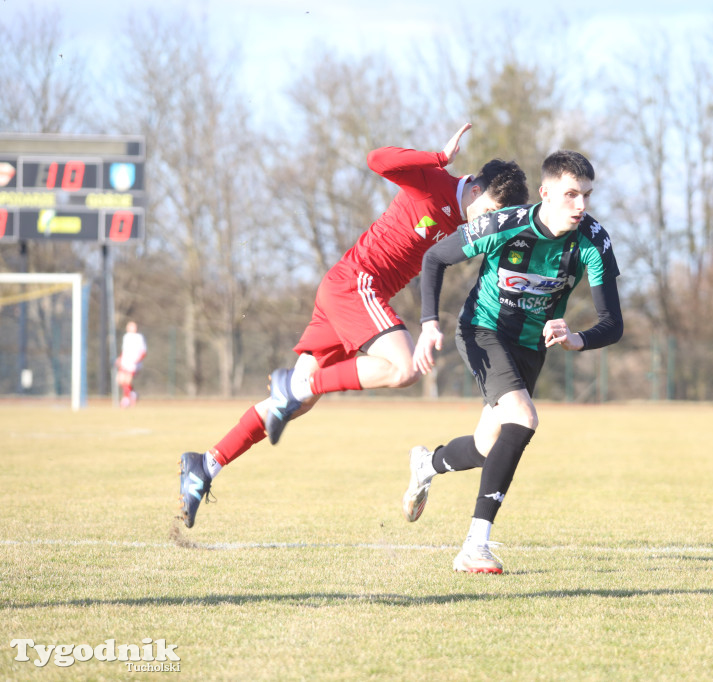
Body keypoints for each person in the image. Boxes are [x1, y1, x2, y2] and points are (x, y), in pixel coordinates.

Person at [178, 124, 529, 529]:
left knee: (298, 404)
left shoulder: (469, 222)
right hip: (356, 284)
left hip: (345, 291)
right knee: (403, 368)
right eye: (487, 212)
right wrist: (437, 157)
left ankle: (204, 465)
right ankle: (291, 387)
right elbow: (376, 160)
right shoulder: (433, 181)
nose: (486, 223)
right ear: (475, 189)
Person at [405, 150, 623, 574]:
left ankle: (425, 464)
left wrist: (578, 338)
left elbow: (612, 323)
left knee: (489, 447)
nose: (581, 206)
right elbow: (434, 258)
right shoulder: (504, 224)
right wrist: (429, 322)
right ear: (545, 193)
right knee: (523, 419)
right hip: (482, 330)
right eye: (571, 195)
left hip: (529, 347)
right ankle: (474, 546)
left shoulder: (594, 241)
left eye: (587, 196)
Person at [116, 321, 147, 408]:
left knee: (127, 380)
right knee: (120, 380)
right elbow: (124, 350)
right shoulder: (126, 337)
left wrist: (137, 360)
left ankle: (126, 400)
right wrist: (120, 358)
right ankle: (133, 394)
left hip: (133, 363)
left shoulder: (139, 337)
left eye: (133, 326)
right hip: (125, 361)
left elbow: (143, 351)